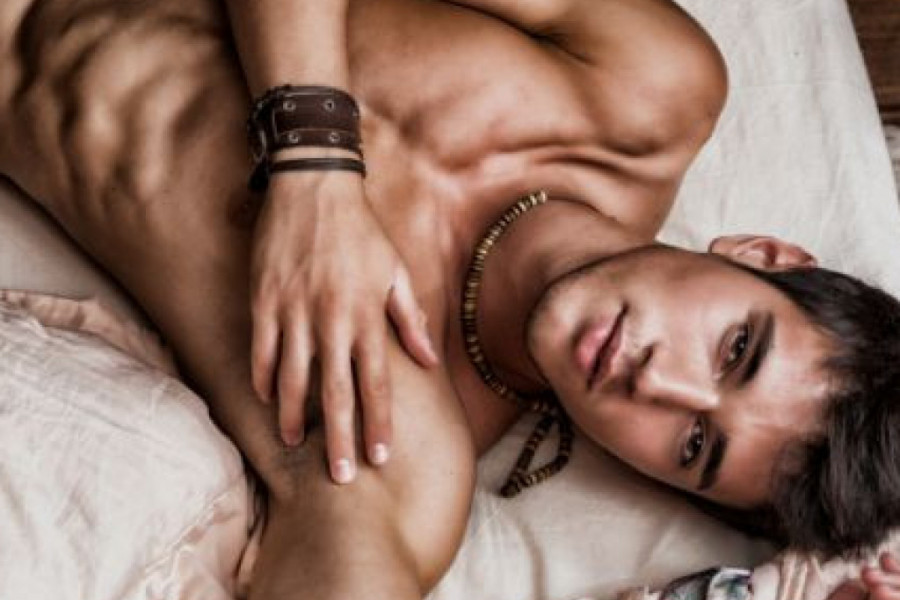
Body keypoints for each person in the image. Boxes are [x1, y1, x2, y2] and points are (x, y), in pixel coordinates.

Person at [2, 0, 900, 598]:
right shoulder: (644, 86)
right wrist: (315, 173)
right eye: (736, 350)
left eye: (695, 444)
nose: (656, 382)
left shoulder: (398, 448)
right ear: (762, 255)